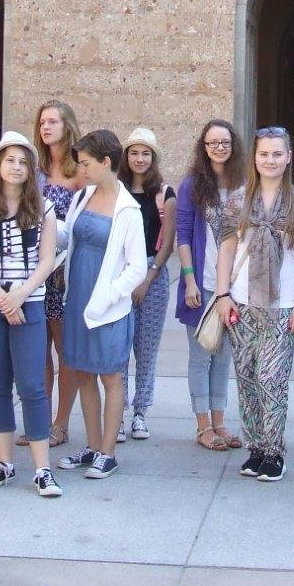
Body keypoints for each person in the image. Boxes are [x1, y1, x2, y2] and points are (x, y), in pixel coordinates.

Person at [0, 131, 63, 497]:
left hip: (29, 301)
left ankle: (42, 469)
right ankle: (4, 463)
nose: (17, 167)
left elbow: (47, 259)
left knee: (33, 385)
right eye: (10, 160)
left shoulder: (43, 207)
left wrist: (19, 295)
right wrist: (1, 298)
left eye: (23, 162)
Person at [213, 126, 294, 482]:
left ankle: (274, 451)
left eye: (277, 154)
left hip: (281, 303)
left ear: (288, 158)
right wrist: (222, 294)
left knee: (272, 379)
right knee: (247, 377)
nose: (270, 160)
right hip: (241, 301)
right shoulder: (238, 201)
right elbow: (227, 249)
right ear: (254, 158)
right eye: (264, 154)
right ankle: (255, 447)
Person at [56, 130, 148, 480]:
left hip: (108, 305)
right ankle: (93, 446)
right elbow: (67, 236)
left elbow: (137, 267)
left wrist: (110, 295)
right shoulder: (84, 196)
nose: (81, 170)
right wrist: (43, 222)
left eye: (85, 163)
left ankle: (108, 452)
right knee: (83, 373)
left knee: (110, 376)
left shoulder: (128, 210)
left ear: (106, 162)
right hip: (78, 297)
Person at [176, 119, 246, 451]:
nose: (219, 148)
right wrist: (189, 279)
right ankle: (202, 425)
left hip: (235, 286)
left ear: (233, 146)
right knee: (201, 355)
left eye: (224, 142)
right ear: (203, 148)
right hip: (202, 283)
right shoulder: (192, 185)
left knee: (223, 358)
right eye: (212, 143)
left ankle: (219, 422)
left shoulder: (244, 183)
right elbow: (183, 235)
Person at [31, 100, 85, 447]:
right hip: (34, 268)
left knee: (64, 349)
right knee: (37, 350)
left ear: (68, 126)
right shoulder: (33, 169)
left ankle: (61, 422)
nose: (46, 128)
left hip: (64, 270)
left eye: (53, 121)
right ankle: (39, 419)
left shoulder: (79, 170)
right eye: (42, 123)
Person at [117, 127, 177, 441]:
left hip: (152, 275)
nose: (139, 159)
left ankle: (140, 412)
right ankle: (118, 413)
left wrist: (148, 277)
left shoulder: (164, 193)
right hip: (121, 275)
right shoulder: (116, 191)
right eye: (134, 153)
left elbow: (167, 242)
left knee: (146, 348)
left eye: (145, 153)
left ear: (153, 158)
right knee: (119, 349)